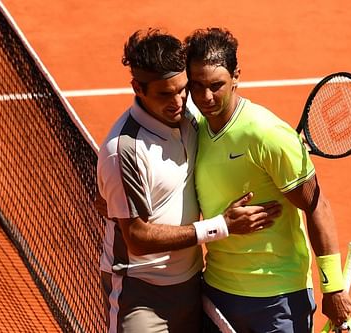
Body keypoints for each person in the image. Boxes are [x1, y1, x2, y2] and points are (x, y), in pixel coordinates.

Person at [96, 28, 282, 333]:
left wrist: (283, 145)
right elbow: (138, 238)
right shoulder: (124, 151)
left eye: (182, 89)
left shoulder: (191, 119)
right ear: (137, 88)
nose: (178, 101)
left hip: (194, 285)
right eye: (164, 94)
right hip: (142, 294)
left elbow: (236, 130)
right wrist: (220, 226)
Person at [185, 27, 351, 333]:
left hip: (278, 297)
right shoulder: (194, 127)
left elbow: (318, 206)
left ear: (236, 76)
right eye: (196, 85)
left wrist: (333, 287)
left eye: (216, 85)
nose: (206, 97)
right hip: (218, 289)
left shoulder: (267, 134)